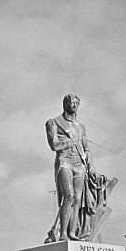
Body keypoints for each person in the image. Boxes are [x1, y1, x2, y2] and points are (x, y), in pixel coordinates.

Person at [45, 93, 91, 243]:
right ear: (65, 104)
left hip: (80, 165)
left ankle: (72, 232)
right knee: (69, 196)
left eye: (77, 103)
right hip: (64, 162)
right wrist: (71, 142)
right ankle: (62, 232)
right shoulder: (53, 122)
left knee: (78, 199)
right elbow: (54, 145)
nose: (75, 106)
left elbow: (86, 148)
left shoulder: (81, 127)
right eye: (72, 103)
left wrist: (90, 163)